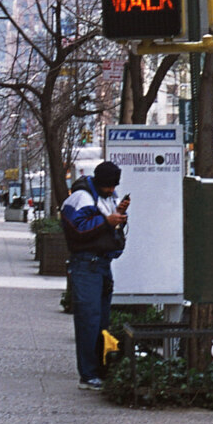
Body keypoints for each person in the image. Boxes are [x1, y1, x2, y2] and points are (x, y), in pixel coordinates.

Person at [60, 161, 129, 389]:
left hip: (98, 263)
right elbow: (78, 228)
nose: (112, 190)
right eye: (109, 186)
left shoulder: (101, 196)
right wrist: (108, 221)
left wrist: (118, 215)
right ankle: (89, 374)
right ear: (100, 183)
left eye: (114, 186)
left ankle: (96, 370)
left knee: (100, 321)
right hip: (88, 264)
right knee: (90, 320)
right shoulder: (82, 197)